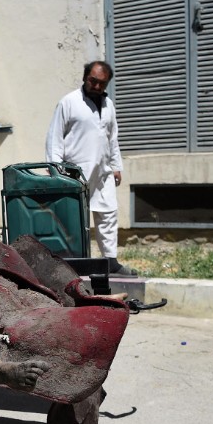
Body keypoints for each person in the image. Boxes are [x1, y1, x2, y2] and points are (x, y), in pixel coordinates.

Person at [46, 60, 135, 276]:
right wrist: (54, 168)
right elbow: (54, 137)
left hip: (103, 172)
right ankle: (73, 264)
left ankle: (110, 261)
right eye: (92, 81)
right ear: (85, 77)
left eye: (101, 83)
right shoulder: (69, 102)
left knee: (108, 215)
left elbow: (112, 138)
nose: (96, 86)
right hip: (75, 173)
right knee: (75, 221)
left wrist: (116, 165)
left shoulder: (109, 106)